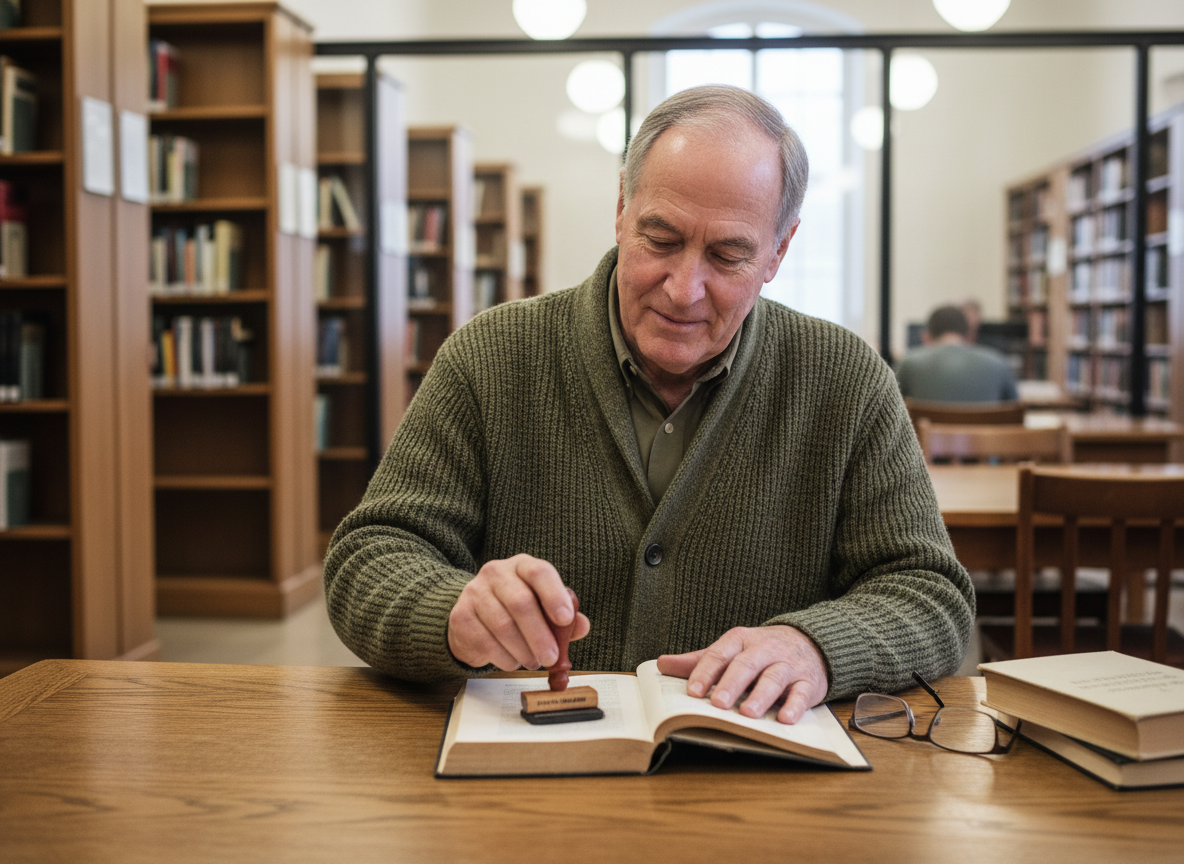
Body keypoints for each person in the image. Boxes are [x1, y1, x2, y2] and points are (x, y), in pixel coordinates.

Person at [324, 85, 973, 726]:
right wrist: (452, 613)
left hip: (761, 793)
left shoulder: (846, 380)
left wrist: (817, 648)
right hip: (528, 784)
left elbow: (931, 596)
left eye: (727, 255)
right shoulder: (491, 357)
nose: (684, 289)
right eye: (659, 239)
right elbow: (369, 559)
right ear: (620, 211)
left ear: (779, 250)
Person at [896, 305, 1018, 403]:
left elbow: (890, 414)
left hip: (928, 434)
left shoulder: (909, 363)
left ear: (926, 338)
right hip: (983, 434)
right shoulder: (998, 363)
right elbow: (1014, 415)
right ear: (970, 337)